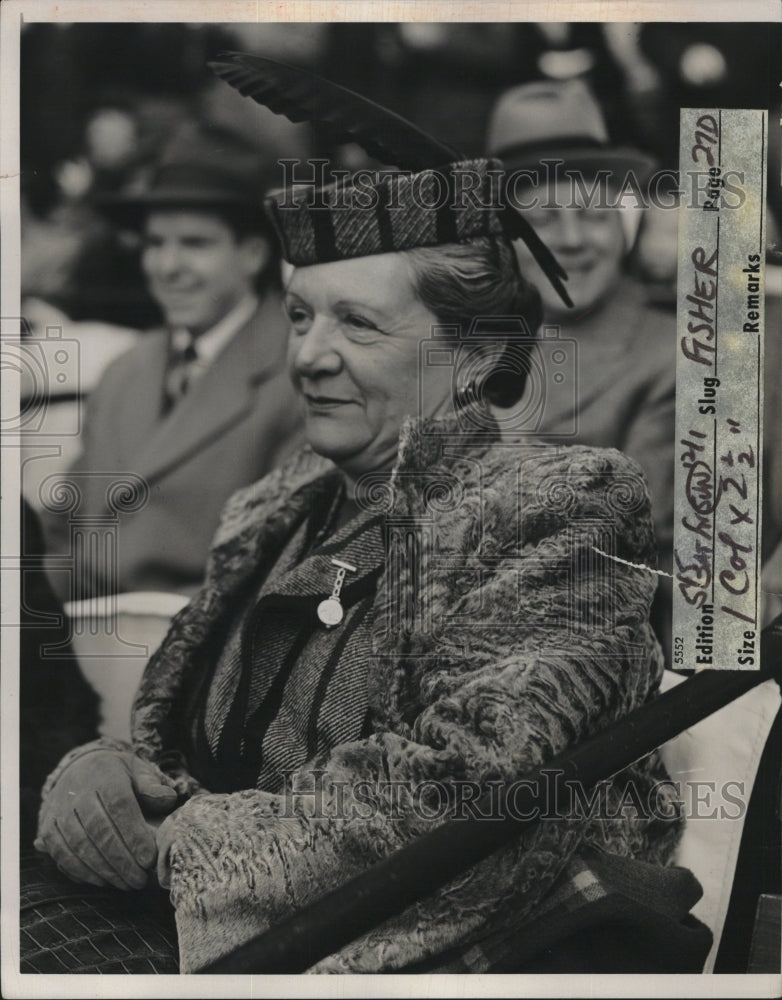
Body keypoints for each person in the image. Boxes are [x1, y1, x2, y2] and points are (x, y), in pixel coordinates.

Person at [29, 157, 710, 975]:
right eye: (298, 315)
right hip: (193, 929)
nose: (308, 356)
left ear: (474, 353)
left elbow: (472, 790)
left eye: (358, 324)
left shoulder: (556, 507)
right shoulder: (274, 508)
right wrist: (104, 775)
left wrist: (173, 845)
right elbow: (180, 750)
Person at [40, 123, 304, 601]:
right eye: (155, 244)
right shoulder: (125, 370)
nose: (167, 267)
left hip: (201, 650)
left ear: (252, 253)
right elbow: (63, 527)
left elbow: (280, 566)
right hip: (80, 636)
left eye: (194, 244)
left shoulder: (298, 373)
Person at [486, 79, 676, 660]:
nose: (570, 241)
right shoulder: (463, 336)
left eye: (592, 216)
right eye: (542, 219)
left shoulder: (672, 352)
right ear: (500, 234)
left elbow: (640, 546)